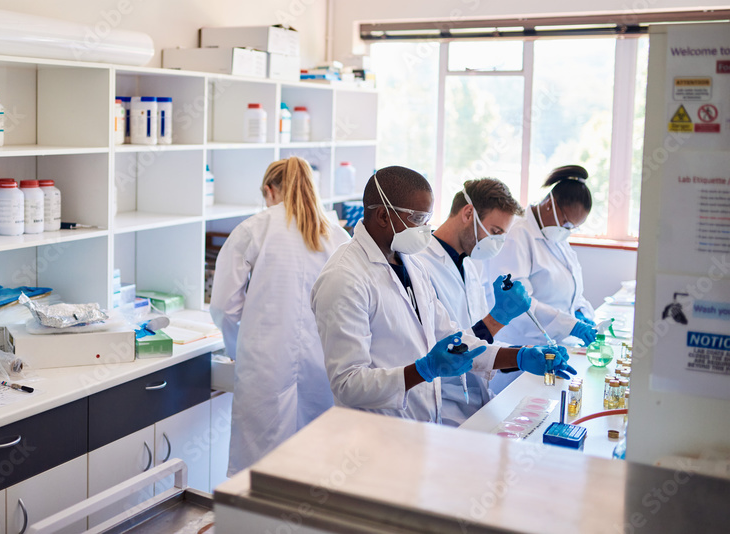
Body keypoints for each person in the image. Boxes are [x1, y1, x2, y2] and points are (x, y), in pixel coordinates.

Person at [311, 166, 573, 422]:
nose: (426, 229)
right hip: (378, 431)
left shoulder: (410, 264)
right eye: (418, 220)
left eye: (428, 219)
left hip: (424, 423)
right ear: (382, 216)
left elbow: (454, 340)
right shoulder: (344, 277)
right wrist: (423, 370)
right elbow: (347, 384)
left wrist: (519, 356)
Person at [210, 156, 350, 476]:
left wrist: (236, 349)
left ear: (269, 190)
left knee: (258, 468)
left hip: (265, 365)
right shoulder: (338, 235)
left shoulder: (253, 229)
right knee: (314, 464)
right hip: (323, 365)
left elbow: (224, 307)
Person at [418, 178, 528, 426]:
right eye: (496, 231)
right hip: (445, 407)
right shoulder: (421, 265)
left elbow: (477, 338)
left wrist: (520, 355)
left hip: (477, 401)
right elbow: (447, 347)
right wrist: (498, 320)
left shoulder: (469, 264)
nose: (497, 241)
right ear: (468, 213)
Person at [484, 165, 598, 350]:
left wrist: (580, 312)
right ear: (550, 204)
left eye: (573, 227)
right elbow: (516, 300)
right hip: (521, 347)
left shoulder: (556, 235)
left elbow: (572, 289)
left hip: (555, 344)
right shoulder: (516, 233)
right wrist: (570, 325)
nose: (567, 230)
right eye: (566, 222)